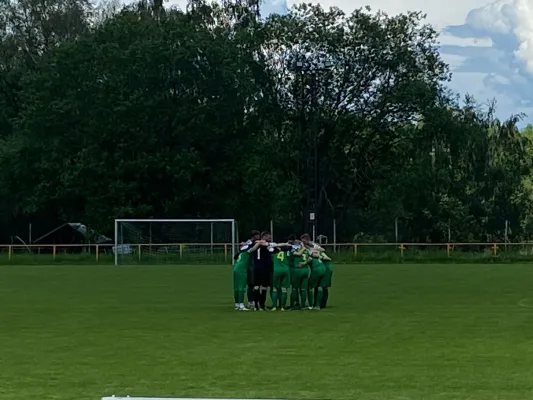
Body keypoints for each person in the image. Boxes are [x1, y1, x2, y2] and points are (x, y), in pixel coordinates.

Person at [233, 239, 261, 310]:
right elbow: (254, 248)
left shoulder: (241, 253)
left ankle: (237, 304)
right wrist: (259, 242)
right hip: (242, 270)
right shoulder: (247, 252)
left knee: (236, 288)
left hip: (236, 269)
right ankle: (241, 305)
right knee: (241, 288)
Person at [250, 231, 273, 310]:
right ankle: (262, 305)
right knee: (264, 287)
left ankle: (256, 305)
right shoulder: (266, 245)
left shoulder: (254, 243)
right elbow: (272, 250)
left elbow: (250, 250)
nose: (270, 239)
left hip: (256, 267)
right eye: (268, 237)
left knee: (256, 286)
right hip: (264, 268)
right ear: (264, 237)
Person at [269, 241, 292, 311]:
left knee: (275, 289)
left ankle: (274, 307)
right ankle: (282, 307)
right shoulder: (286, 253)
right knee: (284, 289)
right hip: (286, 270)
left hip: (276, 270)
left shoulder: (273, 253)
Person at [290, 239, 311, 309]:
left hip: (297, 270)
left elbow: (298, 254)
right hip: (306, 270)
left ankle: (294, 304)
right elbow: (310, 258)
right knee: (303, 289)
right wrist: (305, 263)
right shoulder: (306, 250)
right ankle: (303, 305)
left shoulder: (294, 249)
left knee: (294, 288)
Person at [246, 230, 260, 309]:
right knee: (251, 285)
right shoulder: (249, 243)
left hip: (257, 265)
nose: (258, 237)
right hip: (251, 266)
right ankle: (250, 301)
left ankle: (255, 301)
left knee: (257, 285)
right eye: (256, 235)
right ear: (253, 236)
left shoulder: (259, 242)